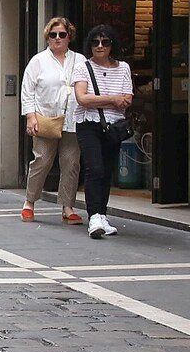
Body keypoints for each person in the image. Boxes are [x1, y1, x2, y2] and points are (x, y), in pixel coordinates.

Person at [20, 17, 85, 224]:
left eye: (62, 34)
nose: (57, 38)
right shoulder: (38, 61)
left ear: (69, 37)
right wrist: (30, 116)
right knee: (42, 160)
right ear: (47, 37)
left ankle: (67, 207)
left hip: (73, 119)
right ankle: (29, 202)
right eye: (53, 35)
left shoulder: (80, 61)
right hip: (46, 118)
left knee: (71, 162)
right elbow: (27, 90)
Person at [71, 26, 134, 239]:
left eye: (105, 42)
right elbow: (82, 98)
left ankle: (102, 213)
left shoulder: (123, 68)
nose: (100, 46)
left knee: (107, 171)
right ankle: (93, 216)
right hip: (88, 124)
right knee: (94, 168)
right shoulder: (83, 67)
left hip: (113, 126)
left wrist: (111, 100)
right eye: (95, 42)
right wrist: (112, 99)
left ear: (111, 45)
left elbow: (127, 98)